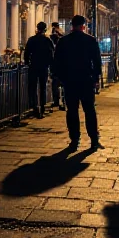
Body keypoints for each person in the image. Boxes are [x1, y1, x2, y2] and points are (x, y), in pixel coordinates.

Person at [53, 15, 102, 150]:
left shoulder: (63, 41)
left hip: (70, 81)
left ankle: (75, 140)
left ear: (71, 26)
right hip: (86, 80)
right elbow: (97, 62)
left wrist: (61, 78)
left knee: (72, 111)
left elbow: (57, 62)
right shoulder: (90, 41)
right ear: (83, 26)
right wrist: (96, 79)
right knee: (89, 110)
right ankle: (93, 139)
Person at [24, 21, 55, 118]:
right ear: (45, 29)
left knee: (32, 88)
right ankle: (42, 108)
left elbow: (26, 53)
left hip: (33, 66)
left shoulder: (31, 40)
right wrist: (51, 66)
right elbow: (51, 55)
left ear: (37, 29)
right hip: (44, 67)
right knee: (43, 88)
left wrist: (27, 63)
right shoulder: (47, 40)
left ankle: (34, 107)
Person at [50, 22, 65, 111]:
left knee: (56, 86)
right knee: (62, 86)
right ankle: (63, 102)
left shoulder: (55, 38)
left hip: (58, 70)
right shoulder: (62, 36)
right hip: (63, 69)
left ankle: (57, 101)